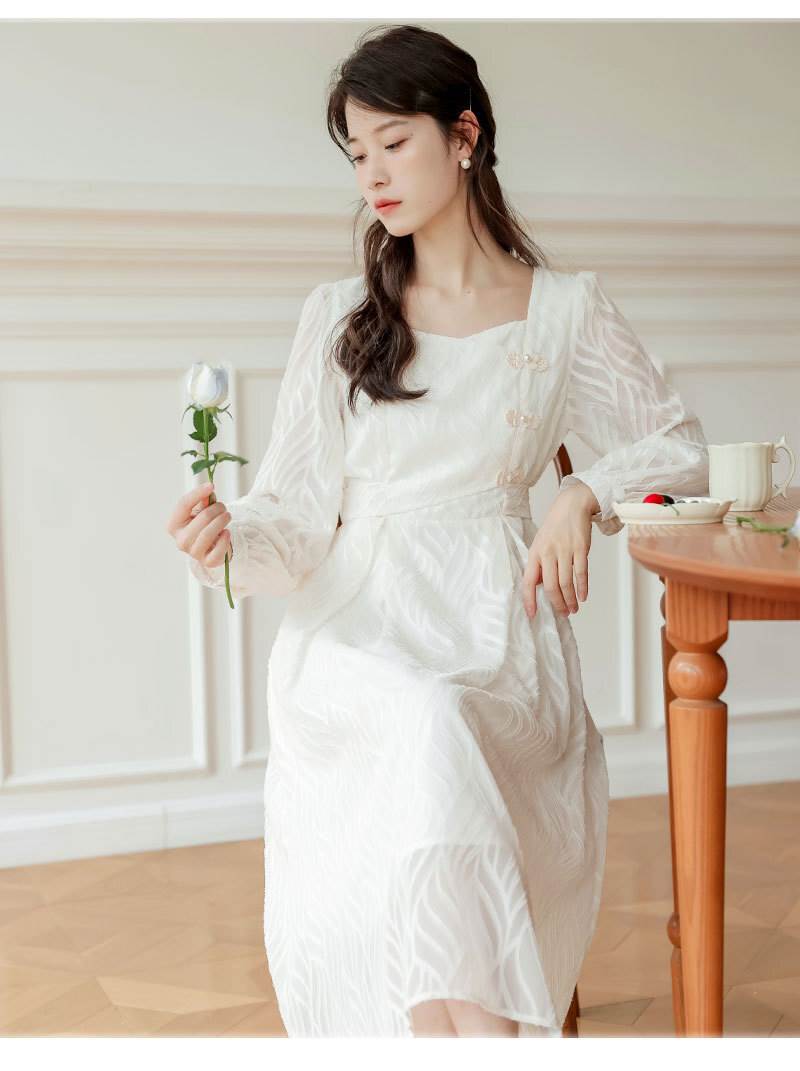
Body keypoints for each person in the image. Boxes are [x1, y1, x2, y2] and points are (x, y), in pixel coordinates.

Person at [166, 24, 709, 1039]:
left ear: (463, 136)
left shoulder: (564, 313)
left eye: (392, 143)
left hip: (498, 639)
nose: (371, 175)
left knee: (442, 721)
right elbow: (293, 523)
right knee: (422, 719)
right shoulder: (339, 315)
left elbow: (679, 449)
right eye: (355, 154)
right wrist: (229, 537)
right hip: (357, 637)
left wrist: (579, 495)